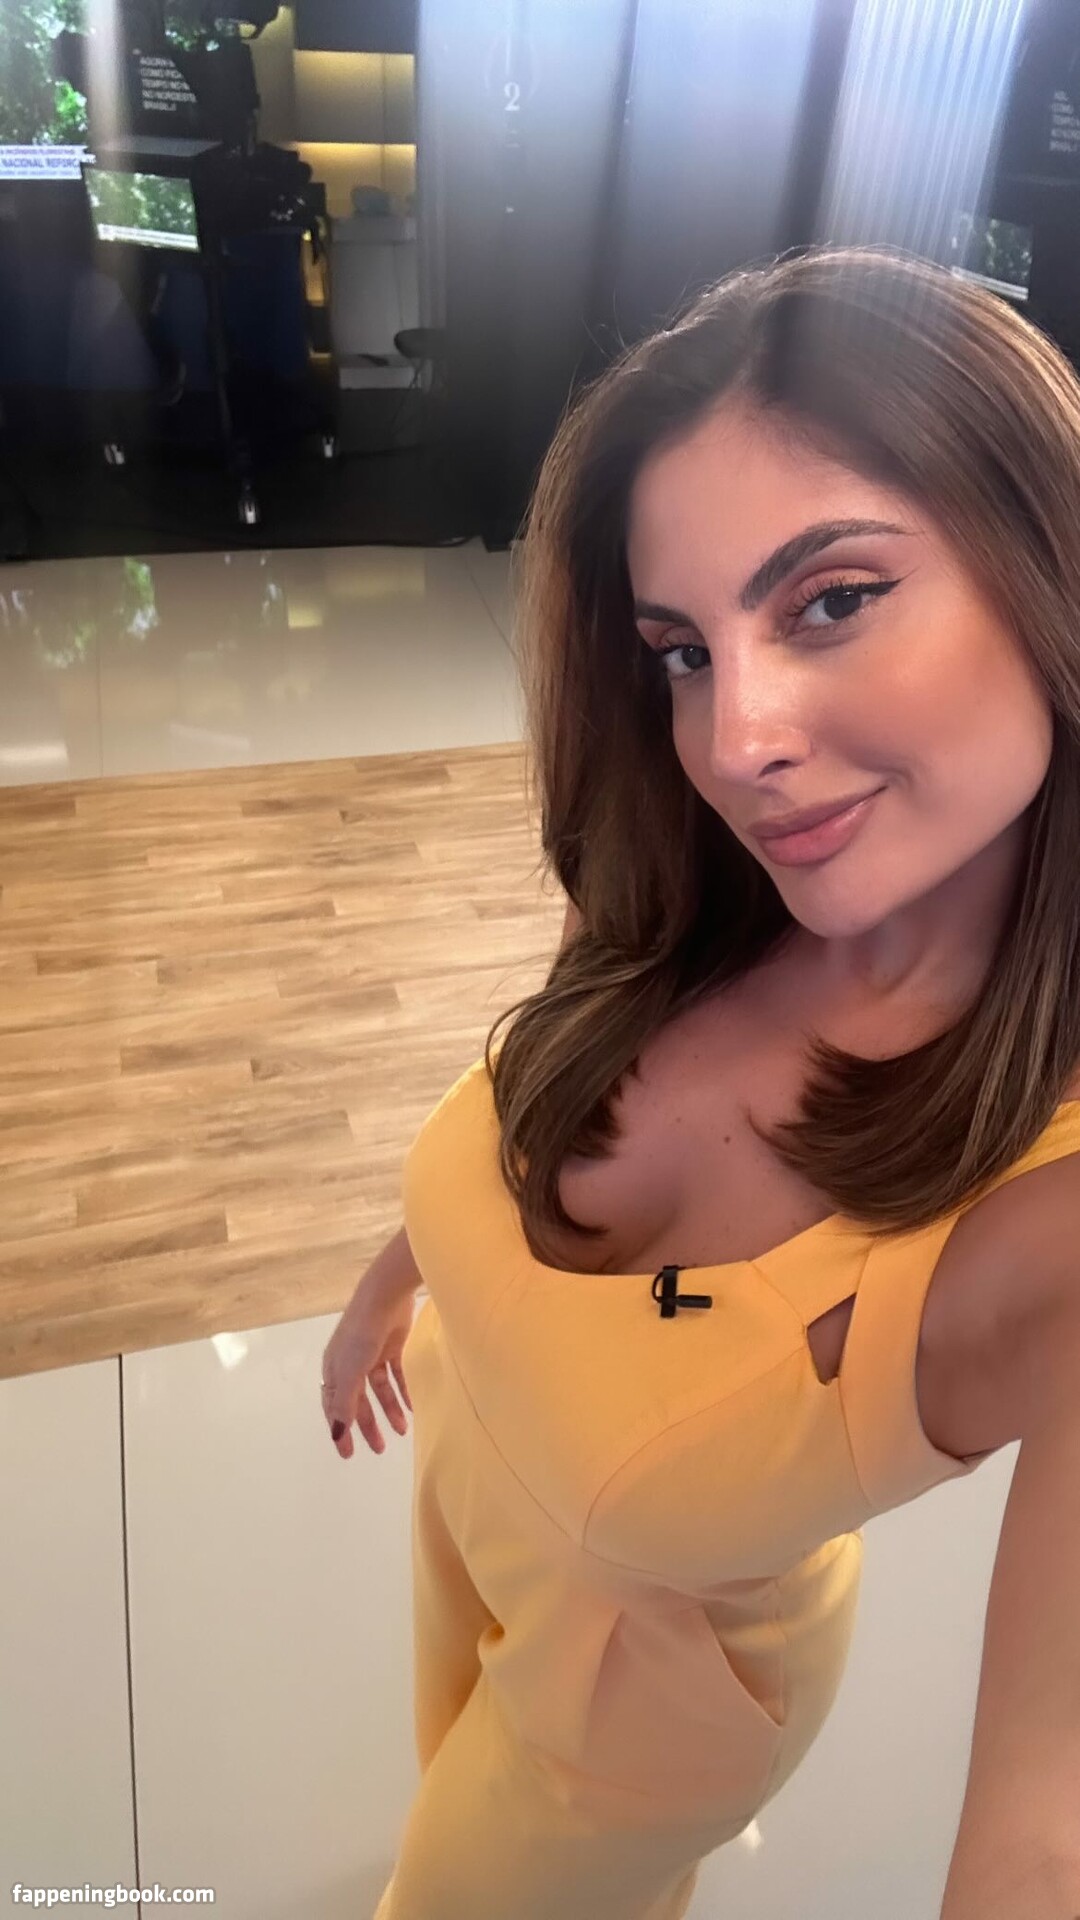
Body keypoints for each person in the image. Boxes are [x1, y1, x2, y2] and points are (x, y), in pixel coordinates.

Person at [319, 244, 1080, 1920]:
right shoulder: (698, 890)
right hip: (468, 1469)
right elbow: (532, 1101)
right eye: (682, 650)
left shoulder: (1051, 1215)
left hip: (650, 1707)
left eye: (833, 600)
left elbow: (1045, 1837)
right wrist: (401, 1278)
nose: (736, 744)